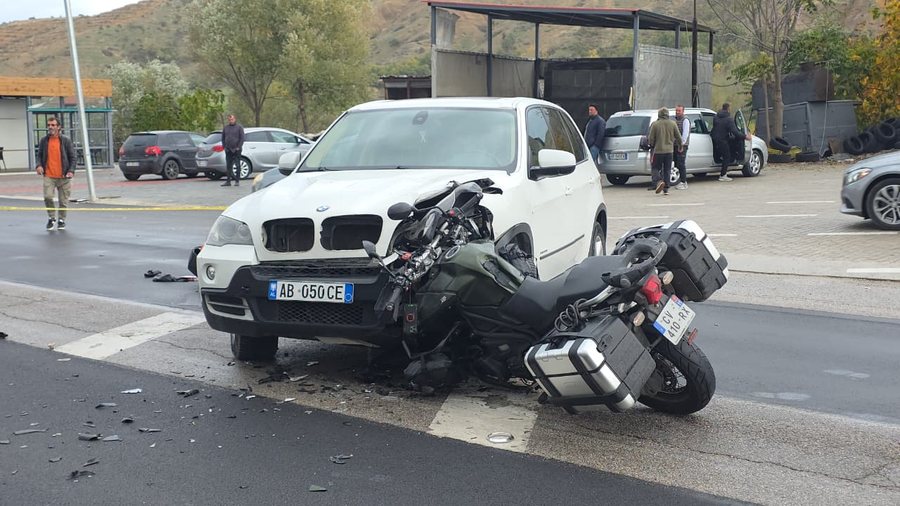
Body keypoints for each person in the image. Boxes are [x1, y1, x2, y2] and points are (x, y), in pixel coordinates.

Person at [36, 116, 77, 230]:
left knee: (63, 201)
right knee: (48, 197)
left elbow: (73, 158)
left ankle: (61, 220)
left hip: (64, 176)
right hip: (49, 175)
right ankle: (51, 218)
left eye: (53, 125)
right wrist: (39, 165)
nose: (50, 127)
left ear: (59, 127)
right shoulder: (44, 140)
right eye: (49, 125)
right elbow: (39, 155)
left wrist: (71, 171)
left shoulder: (66, 140)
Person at [646, 107, 683, 196]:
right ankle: (666, 188)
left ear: (659, 114)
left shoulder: (655, 124)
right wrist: (680, 146)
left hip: (658, 151)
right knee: (667, 169)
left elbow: (651, 139)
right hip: (669, 151)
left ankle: (659, 181)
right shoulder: (673, 124)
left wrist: (651, 145)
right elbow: (678, 137)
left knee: (655, 168)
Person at [710, 103, 746, 182]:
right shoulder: (729, 119)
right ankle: (723, 175)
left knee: (722, 153)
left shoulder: (715, 117)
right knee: (727, 157)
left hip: (714, 138)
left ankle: (721, 167)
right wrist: (745, 136)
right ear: (728, 109)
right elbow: (735, 132)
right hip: (722, 140)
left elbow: (718, 127)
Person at [221, 114, 245, 187]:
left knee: (237, 165)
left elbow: (242, 138)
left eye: (232, 119)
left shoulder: (239, 127)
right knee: (228, 166)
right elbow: (223, 138)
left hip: (236, 149)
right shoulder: (226, 128)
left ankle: (237, 181)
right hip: (228, 150)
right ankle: (228, 181)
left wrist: (238, 147)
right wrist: (224, 147)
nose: (230, 121)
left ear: (235, 119)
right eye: (229, 119)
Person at [673, 105, 691, 190]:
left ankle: (684, 182)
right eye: (676, 110)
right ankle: (679, 180)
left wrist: (681, 145)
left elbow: (685, 134)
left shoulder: (685, 120)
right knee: (676, 163)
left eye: (679, 111)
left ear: (683, 111)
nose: (677, 112)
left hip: (682, 146)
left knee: (681, 163)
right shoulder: (674, 119)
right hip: (674, 145)